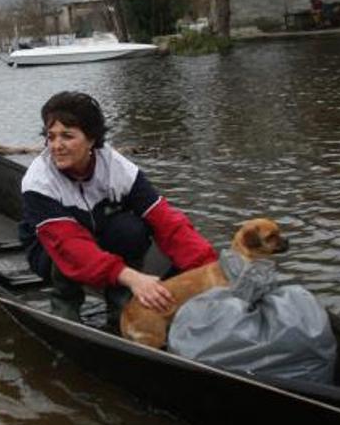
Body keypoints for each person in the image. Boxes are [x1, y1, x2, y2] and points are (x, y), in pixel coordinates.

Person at [19, 91, 217, 323]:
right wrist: (133, 278)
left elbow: (167, 222)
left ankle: (119, 303)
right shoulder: (38, 181)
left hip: (95, 237)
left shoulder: (117, 167)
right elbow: (69, 245)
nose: (56, 146)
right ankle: (66, 305)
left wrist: (209, 266)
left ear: (91, 139)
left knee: (131, 229)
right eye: (51, 137)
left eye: (67, 136)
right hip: (48, 251)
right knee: (68, 252)